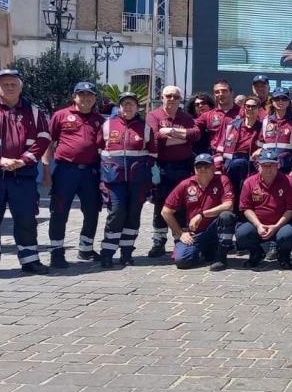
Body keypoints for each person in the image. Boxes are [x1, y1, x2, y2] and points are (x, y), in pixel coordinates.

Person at [0, 69, 51, 277]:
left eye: (13, 83)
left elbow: (43, 139)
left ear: (20, 87)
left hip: (21, 177)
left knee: (26, 218)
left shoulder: (34, 112)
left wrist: (23, 161)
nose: (9, 87)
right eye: (4, 84)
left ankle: (30, 260)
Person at [43, 81, 105, 268]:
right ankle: (57, 252)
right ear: (74, 96)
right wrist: (46, 169)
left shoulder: (99, 120)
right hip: (65, 171)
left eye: (90, 95)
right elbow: (48, 142)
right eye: (82, 94)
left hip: (90, 172)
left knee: (92, 211)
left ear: (95, 98)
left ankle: (86, 249)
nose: (86, 98)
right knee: (59, 211)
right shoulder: (61, 115)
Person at [98, 92, 158, 268]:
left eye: (131, 103)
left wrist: (143, 171)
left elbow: (153, 153)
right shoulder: (108, 125)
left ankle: (126, 253)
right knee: (116, 213)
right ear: (120, 107)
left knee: (133, 215)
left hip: (138, 181)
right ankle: (107, 253)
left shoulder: (145, 127)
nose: (128, 107)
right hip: (114, 181)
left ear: (137, 107)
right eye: (125, 104)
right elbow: (100, 148)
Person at [147, 85, 201, 258]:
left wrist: (170, 132)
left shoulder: (185, 117)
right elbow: (155, 136)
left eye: (175, 96)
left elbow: (195, 134)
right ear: (162, 97)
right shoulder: (153, 115)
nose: (172, 99)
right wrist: (182, 137)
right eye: (168, 96)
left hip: (184, 167)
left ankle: (180, 238)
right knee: (161, 204)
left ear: (180, 99)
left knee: (184, 204)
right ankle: (158, 241)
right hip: (162, 167)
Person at [163, 153, 236, 271]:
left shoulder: (222, 180)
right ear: (194, 169)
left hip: (215, 228)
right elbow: (166, 212)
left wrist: (202, 214)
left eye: (206, 166)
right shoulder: (186, 184)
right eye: (199, 167)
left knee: (227, 216)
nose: (202, 169)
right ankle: (202, 251)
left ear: (213, 167)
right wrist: (180, 233)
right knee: (182, 261)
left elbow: (229, 205)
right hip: (195, 232)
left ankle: (221, 257)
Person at [235, 149, 292, 268]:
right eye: (265, 165)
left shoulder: (289, 182)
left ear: (278, 165)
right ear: (258, 166)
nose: (269, 169)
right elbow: (246, 208)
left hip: (282, 225)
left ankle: (284, 254)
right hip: (258, 225)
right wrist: (258, 225)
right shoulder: (249, 182)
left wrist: (276, 227)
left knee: (288, 235)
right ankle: (256, 252)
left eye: (272, 165)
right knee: (241, 234)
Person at [214, 95, 263, 195]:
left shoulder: (263, 128)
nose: (250, 109)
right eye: (247, 106)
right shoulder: (232, 125)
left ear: (259, 109)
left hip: (251, 167)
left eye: (253, 107)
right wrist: (218, 169)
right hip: (229, 166)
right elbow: (219, 149)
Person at [257, 87, 292, 182]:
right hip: (268, 169)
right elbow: (259, 148)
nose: (280, 101)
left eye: (284, 99)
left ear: (288, 102)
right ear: (272, 101)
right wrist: (259, 168)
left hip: (287, 170)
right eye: (277, 99)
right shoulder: (266, 120)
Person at [196, 79, 241, 151]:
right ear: (214, 95)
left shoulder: (244, 113)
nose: (220, 94)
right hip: (215, 156)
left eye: (224, 91)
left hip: (237, 156)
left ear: (232, 93)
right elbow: (192, 129)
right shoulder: (207, 116)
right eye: (217, 92)